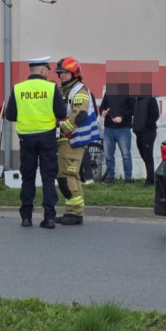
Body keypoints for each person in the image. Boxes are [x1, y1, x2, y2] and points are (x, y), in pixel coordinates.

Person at [4, 56, 66, 229]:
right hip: (47, 137)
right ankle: (49, 217)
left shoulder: (18, 88)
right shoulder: (51, 88)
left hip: (26, 138)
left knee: (28, 177)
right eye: (47, 71)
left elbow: (10, 115)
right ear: (43, 70)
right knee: (48, 177)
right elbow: (61, 113)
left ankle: (26, 217)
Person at [55, 57, 101, 226]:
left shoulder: (79, 90)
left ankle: (75, 213)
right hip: (67, 139)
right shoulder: (65, 89)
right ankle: (73, 211)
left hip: (74, 139)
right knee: (67, 175)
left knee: (67, 175)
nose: (61, 75)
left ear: (74, 73)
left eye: (65, 73)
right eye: (60, 73)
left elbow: (79, 115)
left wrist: (62, 129)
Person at [99, 85, 136, 184]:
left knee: (126, 155)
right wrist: (103, 112)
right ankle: (110, 177)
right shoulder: (109, 91)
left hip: (123, 129)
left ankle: (128, 178)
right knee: (108, 155)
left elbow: (133, 109)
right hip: (108, 128)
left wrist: (122, 117)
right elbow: (102, 106)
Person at [133, 92, 160, 187]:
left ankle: (150, 180)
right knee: (144, 155)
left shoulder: (150, 99)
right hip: (139, 133)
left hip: (148, 132)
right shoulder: (137, 100)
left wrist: (146, 126)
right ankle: (150, 177)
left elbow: (155, 115)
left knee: (148, 156)